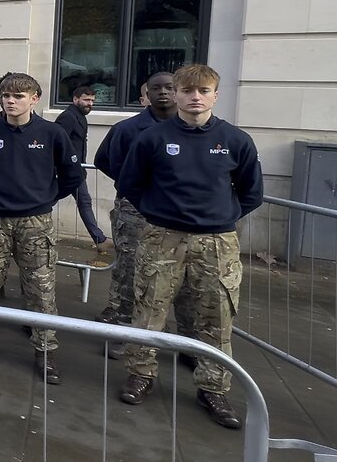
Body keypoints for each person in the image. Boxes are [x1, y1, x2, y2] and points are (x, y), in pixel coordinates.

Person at [115, 64, 262, 429]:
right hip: (162, 237)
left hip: (216, 243)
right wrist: (158, 211)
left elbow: (250, 192)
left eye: (204, 90)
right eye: (188, 90)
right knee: (149, 307)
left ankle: (213, 387)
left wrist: (217, 217)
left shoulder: (236, 140)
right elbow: (131, 183)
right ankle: (141, 373)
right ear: (176, 94)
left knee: (216, 316)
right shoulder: (152, 138)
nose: (195, 97)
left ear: (215, 94)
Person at [0, 73, 82, 384]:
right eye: (6, 96)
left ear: (34, 99)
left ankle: (45, 349)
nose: (11, 101)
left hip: (35, 222)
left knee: (40, 288)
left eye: (19, 96)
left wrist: (45, 197)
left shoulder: (52, 133)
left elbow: (71, 174)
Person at [93, 72, 184, 335]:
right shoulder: (127, 129)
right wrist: (131, 183)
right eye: (156, 88)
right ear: (146, 94)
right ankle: (125, 325)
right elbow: (104, 160)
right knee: (130, 267)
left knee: (179, 273)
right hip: (135, 209)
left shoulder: (192, 128)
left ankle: (177, 333)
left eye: (169, 87)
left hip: (177, 211)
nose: (163, 93)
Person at [54, 86, 106, 247]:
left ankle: (99, 238)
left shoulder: (80, 116)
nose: (89, 103)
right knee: (48, 199)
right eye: (86, 100)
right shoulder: (68, 117)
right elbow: (57, 143)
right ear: (75, 99)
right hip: (66, 171)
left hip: (76, 171)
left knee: (83, 201)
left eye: (92, 101)